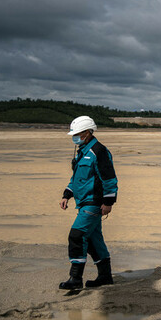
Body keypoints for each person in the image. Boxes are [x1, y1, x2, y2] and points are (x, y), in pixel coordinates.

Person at [58, 116, 118, 290]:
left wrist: (108, 202)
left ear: (87, 132)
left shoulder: (98, 151)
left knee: (76, 235)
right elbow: (77, 178)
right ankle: (105, 276)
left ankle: (75, 278)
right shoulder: (82, 151)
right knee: (93, 240)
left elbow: (109, 179)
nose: (74, 137)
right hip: (83, 202)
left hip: (93, 203)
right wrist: (67, 194)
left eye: (77, 133)